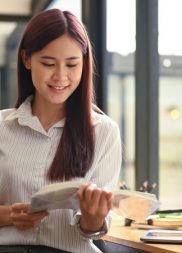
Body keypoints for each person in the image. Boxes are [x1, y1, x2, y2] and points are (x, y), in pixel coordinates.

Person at [0, 8, 122, 253]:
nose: (61, 76)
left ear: (84, 64)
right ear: (26, 60)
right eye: (48, 63)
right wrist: (9, 216)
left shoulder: (104, 132)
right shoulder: (2, 128)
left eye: (72, 64)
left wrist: (93, 216)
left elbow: (94, 231)